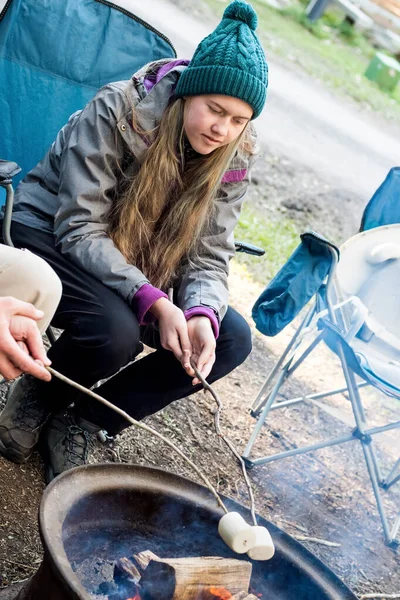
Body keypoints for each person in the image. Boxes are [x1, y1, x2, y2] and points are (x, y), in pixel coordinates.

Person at [0, 0, 268, 482]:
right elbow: (79, 225)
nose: (221, 129)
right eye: (215, 109)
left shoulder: (234, 157)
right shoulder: (118, 109)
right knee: (117, 332)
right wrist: (154, 301)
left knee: (230, 338)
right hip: (50, 234)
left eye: (238, 120)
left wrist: (200, 311)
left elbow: (208, 254)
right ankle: (39, 393)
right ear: (189, 91)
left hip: (134, 259)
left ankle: (87, 418)